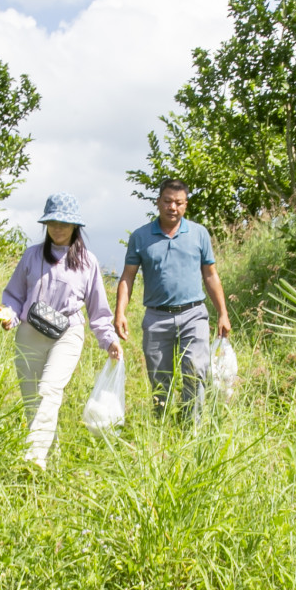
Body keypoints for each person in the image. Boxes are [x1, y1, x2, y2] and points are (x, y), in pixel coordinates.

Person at [0, 193, 122, 469]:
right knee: (32, 400)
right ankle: (50, 458)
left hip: (67, 333)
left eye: (64, 223)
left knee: (49, 391)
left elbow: (98, 310)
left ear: (75, 226)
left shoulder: (88, 262)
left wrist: (109, 339)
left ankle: (33, 458)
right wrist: (9, 315)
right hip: (30, 331)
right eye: (52, 222)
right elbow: (14, 297)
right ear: (46, 224)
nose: (58, 228)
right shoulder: (31, 255)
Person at [115, 179, 231, 422]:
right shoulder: (141, 237)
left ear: (185, 205)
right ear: (158, 202)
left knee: (195, 370)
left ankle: (192, 427)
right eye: (167, 201)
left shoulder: (199, 234)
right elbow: (128, 276)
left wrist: (223, 313)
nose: (172, 207)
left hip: (194, 314)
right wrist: (120, 312)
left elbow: (210, 275)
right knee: (159, 377)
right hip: (157, 317)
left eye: (178, 203)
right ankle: (161, 426)